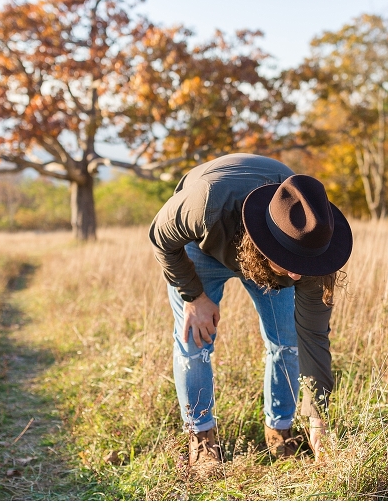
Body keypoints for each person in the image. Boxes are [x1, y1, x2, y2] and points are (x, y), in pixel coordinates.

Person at [149, 153, 353, 472]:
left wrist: (318, 418)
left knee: (286, 341)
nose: (298, 277)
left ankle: (280, 430)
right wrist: (194, 296)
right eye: (292, 263)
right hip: (202, 248)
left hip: (266, 259)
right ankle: (201, 439)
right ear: (268, 241)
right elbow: (161, 238)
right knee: (194, 340)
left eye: (305, 266)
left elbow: (313, 337)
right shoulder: (206, 203)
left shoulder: (310, 248)